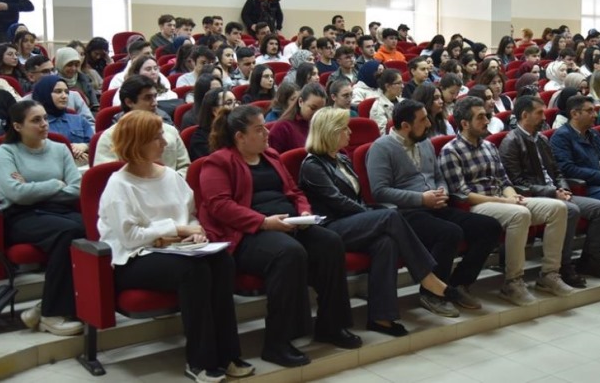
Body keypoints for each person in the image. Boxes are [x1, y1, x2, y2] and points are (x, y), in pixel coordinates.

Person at [97, 110, 254, 382]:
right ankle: (200, 360)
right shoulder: (119, 184)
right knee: (193, 272)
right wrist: (177, 229)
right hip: (133, 259)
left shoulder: (169, 176)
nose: (165, 143)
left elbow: (190, 214)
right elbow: (130, 237)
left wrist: (196, 233)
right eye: (156, 138)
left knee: (222, 261)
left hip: (177, 250)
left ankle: (228, 354)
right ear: (137, 143)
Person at [199, 105, 360, 367]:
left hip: (288, 223)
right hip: (248, 234)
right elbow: (220, 206)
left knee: (330, 242)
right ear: (240, 136)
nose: (267, 133)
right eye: (259, 129)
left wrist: (305, 212)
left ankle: (331, 325)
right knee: (289, 252)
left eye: (265, 126)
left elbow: (294, 191)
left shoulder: (271, 155)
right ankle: (277, 342)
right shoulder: (218, 162)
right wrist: (263, 222)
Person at [300, 107, 468, 331]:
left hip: (353, 222)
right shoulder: (312, 165)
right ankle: (427, 278)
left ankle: (381, 317)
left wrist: (371, 214)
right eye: (344, 129)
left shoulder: (341, 158)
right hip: (330, 228)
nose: (349, 133)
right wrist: (373, 215)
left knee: (385, 243)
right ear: (329, 132)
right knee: (389, 216)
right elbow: (339, 202)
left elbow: (356, 199)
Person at [367, 99, 502, 310]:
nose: (429, 124)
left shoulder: (425, 142)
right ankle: (431, 293)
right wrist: (421, 198)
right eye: (423, 120)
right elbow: (380, 191)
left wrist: (442, 192)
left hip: (435, 205)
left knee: (489, 226)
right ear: (405, 126)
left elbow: (438, 176)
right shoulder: (381, 148)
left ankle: (457, 285)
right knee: (450, 232)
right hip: (405, 214)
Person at [438, 96, 573, 306]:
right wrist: (504, 201)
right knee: (520, 214)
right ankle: (513, 282)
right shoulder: (451, 151)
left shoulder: (489, 147)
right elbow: (462, 194)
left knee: (558, 208)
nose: (487, 120)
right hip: (476, 206)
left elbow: (504, 180)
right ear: (464, 124)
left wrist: (511, 196)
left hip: (501, 201)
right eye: (481, 117)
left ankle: (549, 274)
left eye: (486, 115)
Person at [499, 95, 600, 280]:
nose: (545, 117)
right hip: (536, 197)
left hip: (557, 193)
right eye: (539, 113)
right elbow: (517, 182)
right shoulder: (511, 143)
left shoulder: (542, 139)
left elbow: (557, 172)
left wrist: (563, 189)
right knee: (571, 210)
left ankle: (590, 260)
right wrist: (553, 192)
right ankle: (563, 265)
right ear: (524, 115)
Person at [0, 100, 83, 336]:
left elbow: (77, 189)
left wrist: (32, 187)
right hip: (21, 216)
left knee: (92, 229)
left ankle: (46, 306)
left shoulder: (59, 149)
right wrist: (55, 183)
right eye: (36, 120)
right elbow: (15, 194)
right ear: (17, 126)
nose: (44, 124)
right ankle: (52, 315)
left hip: (58, 210)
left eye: (44, 118)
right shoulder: (4, 152)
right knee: (68, 233)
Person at [95, 76, 190, 177]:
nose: (155, 103)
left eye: (155, 96)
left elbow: (185, 166)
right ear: (129, 102)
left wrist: (170, 183)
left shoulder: (170, 131)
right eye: (148, 98)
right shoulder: (110, 137)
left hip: (172, 188)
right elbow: (105, 176)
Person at [31, 75, 93, 166]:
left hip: (83, 166)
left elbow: (95, 143)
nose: (64, 96)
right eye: (58, 91)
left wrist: (84, 146)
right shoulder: (33, 124)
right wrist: (69, 153)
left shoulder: (79, 119)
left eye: (66, 92)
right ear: (45, 93)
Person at [268, 83, 326, 153]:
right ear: (301, 102)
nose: (317, 113)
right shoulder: (282, 128)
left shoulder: (324, 125)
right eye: (312, 108)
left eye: (321, 110)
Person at [190, 88, 238, 160]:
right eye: (229, 103)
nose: (237, 106)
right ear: (215, 111)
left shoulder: (240, 128)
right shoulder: (200, 139)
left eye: (236, 102)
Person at [369, 69, 404, 135]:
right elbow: (383, 133)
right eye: (399, 83)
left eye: (402, 83)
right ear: (387, 86)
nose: (402, 86)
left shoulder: (403, 101)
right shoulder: (377, 108)